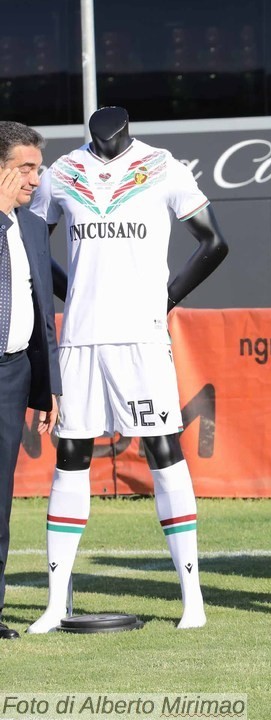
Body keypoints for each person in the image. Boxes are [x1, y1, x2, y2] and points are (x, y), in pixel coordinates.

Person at [28, 107, 229, 632]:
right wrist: (70, 293)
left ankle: (193, 601)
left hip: (142, 339)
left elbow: (215, 243)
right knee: (70, 456)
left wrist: (164, 300)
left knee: (165, 451)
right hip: (78, 341)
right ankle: (55, 604)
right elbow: (33, 246)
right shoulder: (62, 172)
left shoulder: (164, 166)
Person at [0, 123, 60, 641]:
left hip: (12, 375)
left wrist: (47, 390)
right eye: (26, 168)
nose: (36, 181)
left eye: (38, 170)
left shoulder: (35, 229)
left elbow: (44, 319)